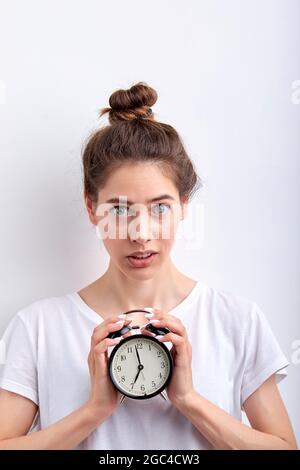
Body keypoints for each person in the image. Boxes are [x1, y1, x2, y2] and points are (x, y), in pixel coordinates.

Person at [0, 82, 297, 450]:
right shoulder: (39, 328)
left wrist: (189, 400)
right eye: (120, 210)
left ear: (184, 206)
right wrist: (94, 411)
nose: (141, 234)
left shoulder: (236, 321)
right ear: (92, 208)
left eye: (160, 208)